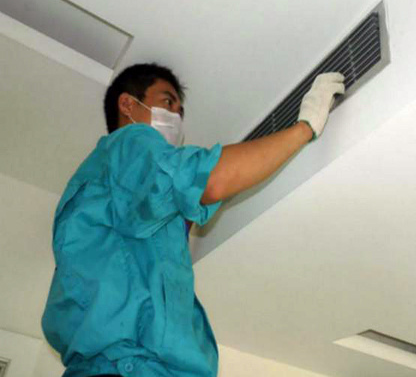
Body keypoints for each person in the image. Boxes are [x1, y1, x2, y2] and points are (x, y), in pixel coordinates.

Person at [41, 63, 345, 377]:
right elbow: (210, 182)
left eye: (180, 111)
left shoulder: (117, 187)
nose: (176, 117)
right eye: (167, 102)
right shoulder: (129, 142)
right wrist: (304, 127)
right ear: (128, 104)